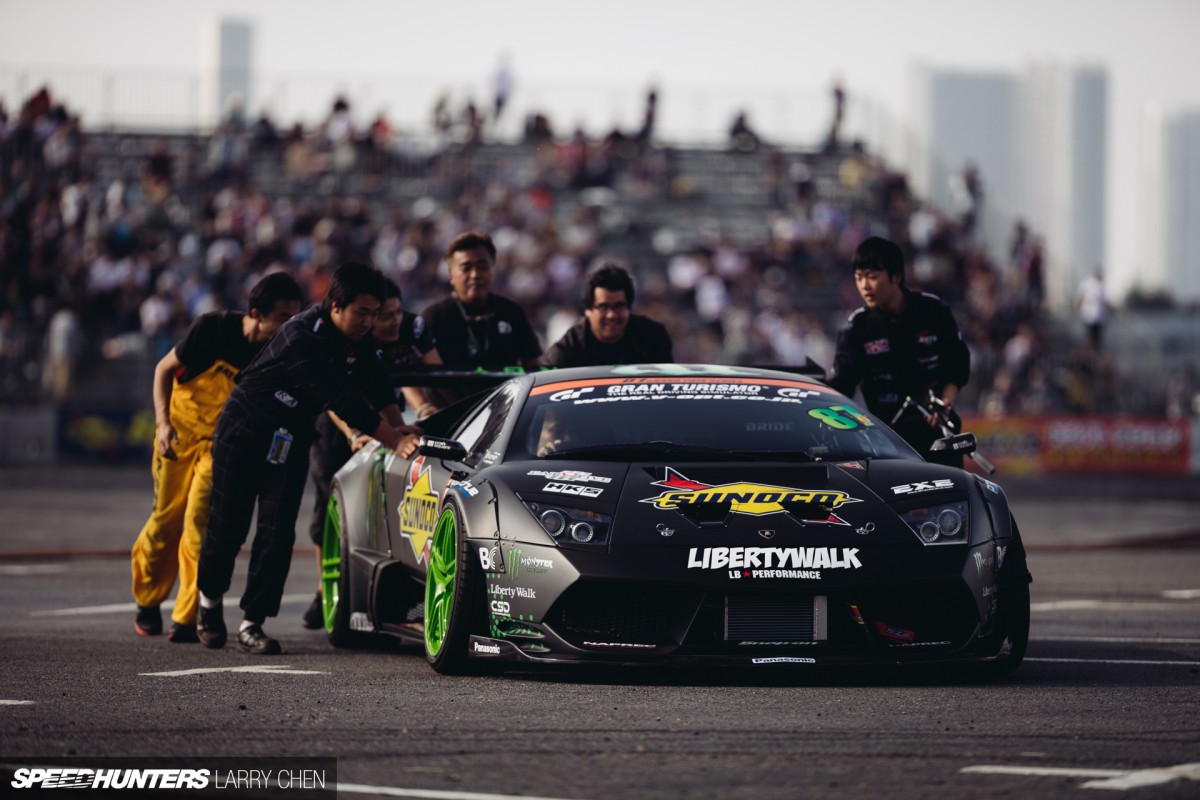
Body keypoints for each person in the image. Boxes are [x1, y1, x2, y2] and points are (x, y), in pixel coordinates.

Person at [196, 262, 422, 654]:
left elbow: (378, 385)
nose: (369, 322)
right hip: (245, 428)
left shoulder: (359, 340)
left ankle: (254, 623)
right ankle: (208, 604)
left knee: (277, 530)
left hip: (291, 436)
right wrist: (391, 441)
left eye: (375, 313)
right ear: (335, 305)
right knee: (228, 523)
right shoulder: (301, 334)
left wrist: (398, 426)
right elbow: (340, 397)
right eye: (362, 312)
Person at [130, 272, 303, 642]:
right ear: (257, 313)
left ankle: (187, 616)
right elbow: (163, 370)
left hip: (220, 445)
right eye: (284, 318)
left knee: (198, 523)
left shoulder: (279, 351)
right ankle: (147, 599)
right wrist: (162, 425)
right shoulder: (212, 329)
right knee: (165, 521)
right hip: (177, 435)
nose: (291, 326)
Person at [300, 277, 442, 629]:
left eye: (395, 313)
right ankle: (325, 587)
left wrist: (427, 410)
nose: (391, 321)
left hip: (387, 418)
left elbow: (434, 375)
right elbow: (333, 394)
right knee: (327, 508)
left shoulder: (414, 327)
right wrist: (353, 432)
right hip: (339, 425)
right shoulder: (348, 338)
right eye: (382, 316)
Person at [827, 236, 970, 468]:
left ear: (896, 276)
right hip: (890, 444)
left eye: (873, 277)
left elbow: (958, 365)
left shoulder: (934, 311)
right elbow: (841, 386)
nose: (865, 286)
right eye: (859, 278)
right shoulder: (857, 328)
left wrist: (945, 402)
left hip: (940, 435)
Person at [421, 231, 541, 400]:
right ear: (450, 274)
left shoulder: (512, 312)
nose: (475, 275)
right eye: (466, 268)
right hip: (448, 416)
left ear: (494, 268)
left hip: (506, 415)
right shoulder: (433, 317)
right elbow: (412, 373)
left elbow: (533, 367)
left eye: (482, 266)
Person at [541, 262, 673, 367]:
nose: (611, 315)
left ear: (630, 308)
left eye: (619, 306)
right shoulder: (569, 348)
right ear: (588, 310)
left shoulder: (653, 337)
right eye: (603, 307)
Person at [1076, 268, 1109, 349]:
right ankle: (1090, 350)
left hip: (1099, 317)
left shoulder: (1102, 286)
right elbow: (1080, 297)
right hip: (1088, 315)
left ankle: (1095, 350)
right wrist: (1079, 309)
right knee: (1090, 336)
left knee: (1098, 337)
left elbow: (1105, 301)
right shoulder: (1086, 283)